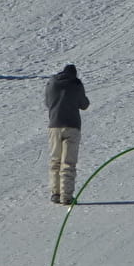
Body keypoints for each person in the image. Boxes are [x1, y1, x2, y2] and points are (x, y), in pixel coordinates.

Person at [45, 64, 90, 205]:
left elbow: (47, 103)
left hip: (54, 126)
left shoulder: (52, 83)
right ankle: (67, 197)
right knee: (68, 163)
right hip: (72, 127)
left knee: (55, 161)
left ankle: (55, 193)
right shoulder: (76, 84)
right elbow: (84, 104)